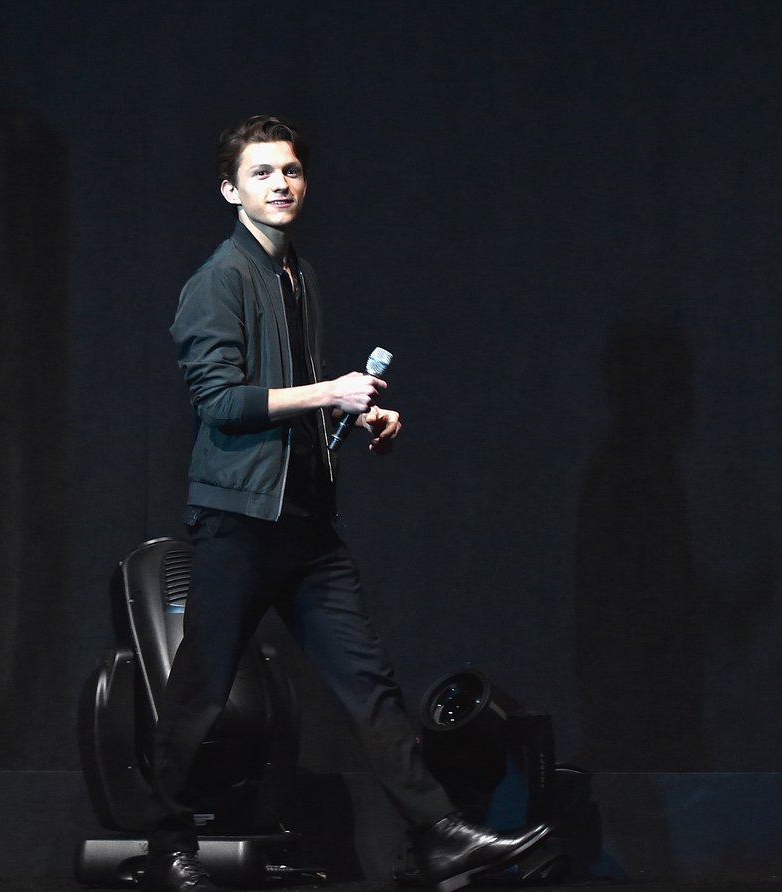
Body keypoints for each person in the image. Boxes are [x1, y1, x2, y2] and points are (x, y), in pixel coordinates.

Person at [142, 114, 549, 892]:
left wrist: (354, 415)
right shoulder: (217, 282)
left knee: (370, 683)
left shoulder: (298, 273)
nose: (282, 184)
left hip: (307, 525)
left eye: (291, 171)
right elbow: (221, 401)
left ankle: (438, 836)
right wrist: (328, 390)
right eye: (263, 173)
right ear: (232, 190)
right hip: (239, 522)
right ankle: (166, 846)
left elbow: (290, 392)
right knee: (203, 692)